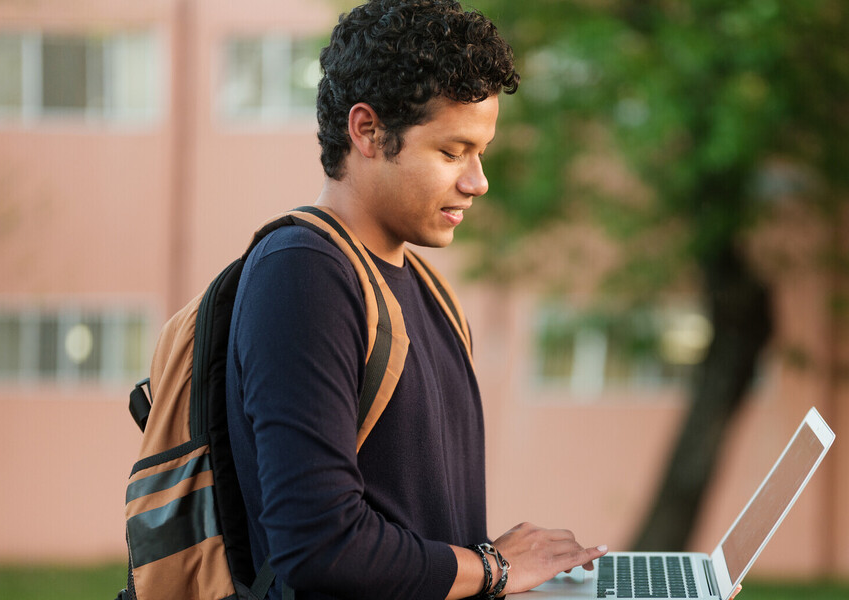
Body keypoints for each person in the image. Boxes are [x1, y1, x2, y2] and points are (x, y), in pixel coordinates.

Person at [224, 1, 607, 598]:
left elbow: (424, 536)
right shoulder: (303, 275)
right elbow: (319, 547)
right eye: (452, 153)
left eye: (481, 152)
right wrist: (497, 569)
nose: (477, 181)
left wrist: (506, 575)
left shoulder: (429, 292)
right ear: (368, 131)